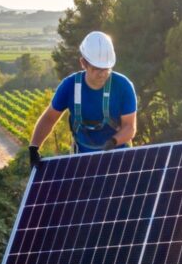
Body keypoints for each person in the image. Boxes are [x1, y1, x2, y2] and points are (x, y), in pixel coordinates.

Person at [28, 31, 137, 166]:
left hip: (119, 156)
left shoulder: (123, 86)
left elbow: (129, 127)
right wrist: (34, 147)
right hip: (83, 160)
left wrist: (113, 142)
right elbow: (49, 118)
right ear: (83, 63)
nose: (103, 74)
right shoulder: (69, 86)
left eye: (106, 68)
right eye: (97, 68)